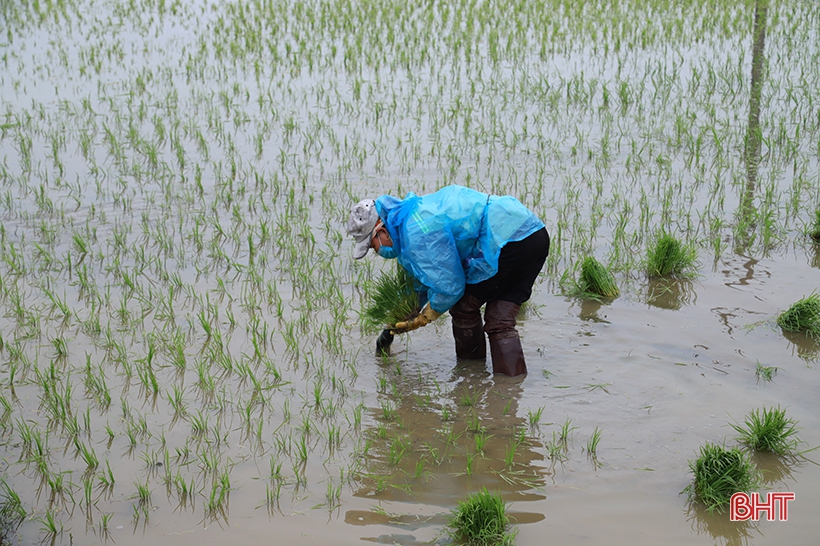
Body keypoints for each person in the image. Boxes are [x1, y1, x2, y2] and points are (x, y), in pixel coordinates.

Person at [346, 185, 549, 377]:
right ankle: (509, 389)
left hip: (511, 239)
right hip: (531, 232)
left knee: (463, 307)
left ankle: (471, 376)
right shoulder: (408, 223)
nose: (377, 251)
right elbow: (424, 280)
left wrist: (426, 316)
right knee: (500, 320)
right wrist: (398, 318)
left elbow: (450, 286)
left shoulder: (416, 230)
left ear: (380, 230)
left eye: (372, 246)